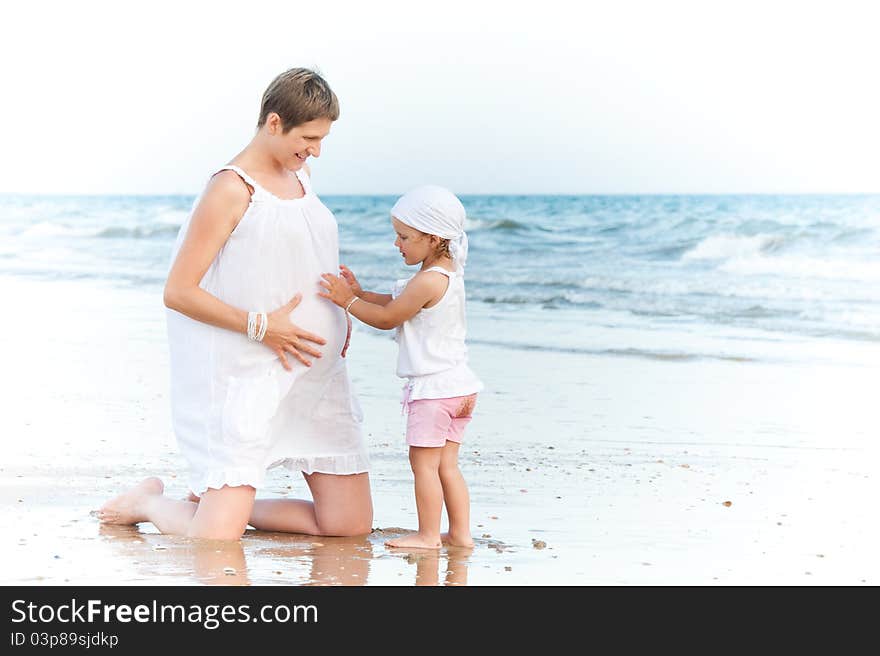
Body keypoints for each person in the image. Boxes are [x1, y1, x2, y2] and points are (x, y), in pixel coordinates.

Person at [97, 68, 373, 540]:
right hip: (252, 373)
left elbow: (293, 259)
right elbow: (179, 291)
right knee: (215, 538)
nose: (315, 150)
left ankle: (217, 505)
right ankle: (149, 502)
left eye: (322, 139)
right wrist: (262, 326)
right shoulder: (231, 188)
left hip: (315, 377)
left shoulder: (301, 176)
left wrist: (342, 312)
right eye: (308, 137)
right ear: (273, 123)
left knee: (347, 525)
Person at [319, 185, 482, 549]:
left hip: (434, 392)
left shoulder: (426, 281)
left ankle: (427, 535)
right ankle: (459, 534)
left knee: (423, 466)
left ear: (433, 237)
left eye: (405, 236)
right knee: (447, 466)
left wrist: (346, 303)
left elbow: (389, 317)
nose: (397, 243)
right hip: (461, 388)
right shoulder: (446, 273)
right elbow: (396, 302)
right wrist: (359, 293)